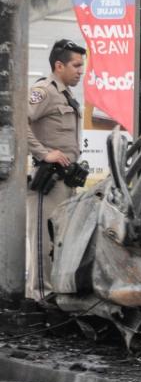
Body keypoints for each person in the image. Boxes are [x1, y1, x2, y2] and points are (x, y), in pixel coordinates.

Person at [25, 39, 87, 303]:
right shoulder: (44, 91)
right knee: (44, 242)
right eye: (76, 65)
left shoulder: (65, 94)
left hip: (66, 181)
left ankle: (53, 296)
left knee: (61, 242)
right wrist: (42, 152)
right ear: (58, 65)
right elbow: (19, 119)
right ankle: (40, 298)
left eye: (82, 66)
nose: (81, 71)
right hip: (47, 181)